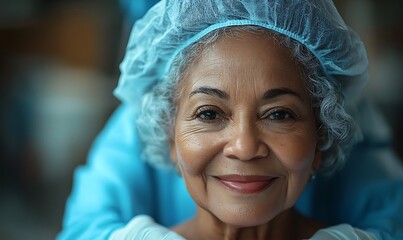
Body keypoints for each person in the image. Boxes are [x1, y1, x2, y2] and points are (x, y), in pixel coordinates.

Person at [58, 0, 403, 239]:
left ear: (322, 140)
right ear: (169, 139)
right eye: (208, 113)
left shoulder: (355, 130)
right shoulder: (135, 127)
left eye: (279, 114)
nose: (244, 146)